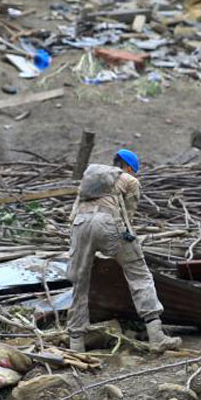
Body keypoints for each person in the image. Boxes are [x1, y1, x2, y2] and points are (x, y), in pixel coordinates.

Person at [66, 149, 181, 353]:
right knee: (139, 275)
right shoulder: (129, 180)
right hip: (108, 223)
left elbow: (72, 214)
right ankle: (156, 336)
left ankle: (76, 344)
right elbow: (128, 216)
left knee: (80, 282)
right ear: (128, 167)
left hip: (80, 224)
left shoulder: (90, 177)